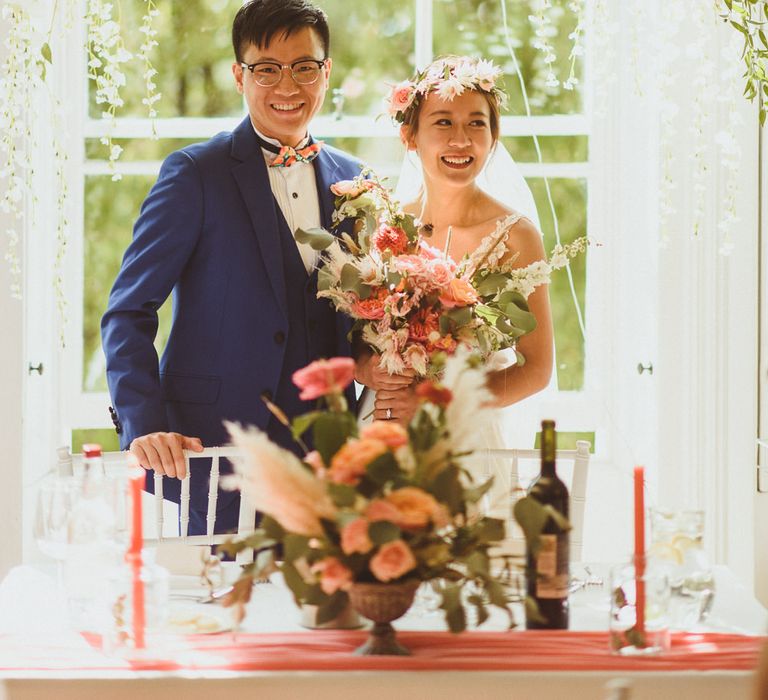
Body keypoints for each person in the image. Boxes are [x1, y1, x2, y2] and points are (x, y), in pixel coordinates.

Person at [101, 0, 362, 535]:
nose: (287, 85)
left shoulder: (355, 181)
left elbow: (364, 317)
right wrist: (144, 425)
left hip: (332, 454)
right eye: (267, 68)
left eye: (304, 67)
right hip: (215, 448)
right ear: (239, 75)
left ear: (326, 73)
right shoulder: (195, 173)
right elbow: (128, 311)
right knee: (221, 611)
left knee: (330, 610)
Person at [355, 56, 554, 523]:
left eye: (476, 124)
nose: (461, 139)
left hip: (471, 437)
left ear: (493, 136)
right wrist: (368, 370)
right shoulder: (382, 227)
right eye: (443, 122)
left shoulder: (516, 235)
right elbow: (349, 343)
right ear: (410, 135)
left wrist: (444, 397)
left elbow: (538, 368)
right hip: (384, 424)